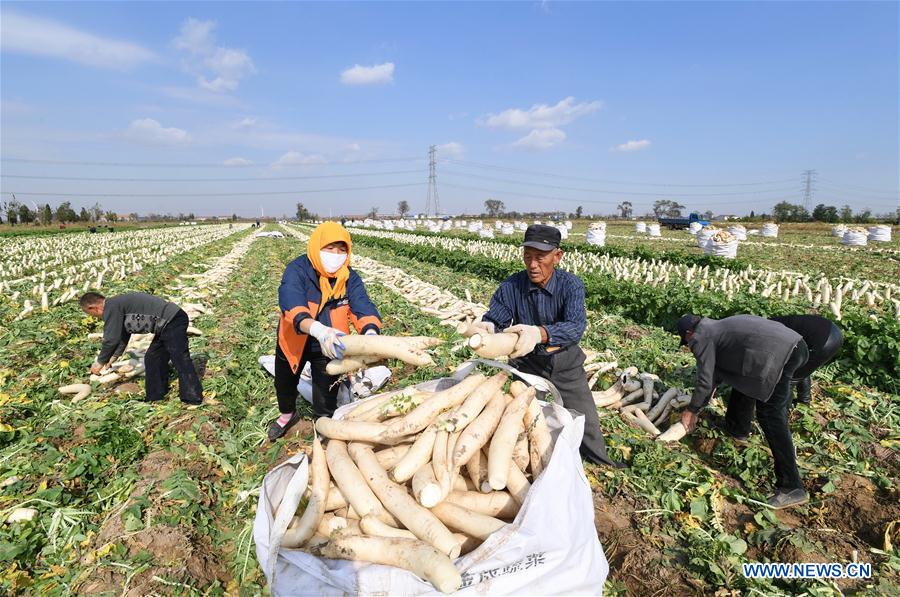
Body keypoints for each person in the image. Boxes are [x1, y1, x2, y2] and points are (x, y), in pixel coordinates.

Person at [476, 224, 622, 468]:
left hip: (565, 364)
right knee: (523, 419)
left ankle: (601, 463)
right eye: (528, 257)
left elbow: (575, 327)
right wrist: (487, 328)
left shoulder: (570, 285)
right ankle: (528, 466)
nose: (533, 265)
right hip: (527, 364)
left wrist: (540, 333)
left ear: (557, 256)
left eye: (540, 257)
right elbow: (495, 320)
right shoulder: (512, 286)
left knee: (586, 420)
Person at [677, 314, 809, 509]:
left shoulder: (700, 336)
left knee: (770, 414)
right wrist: (708, 391)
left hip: (781, 355)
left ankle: (792, 486)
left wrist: (692, 410)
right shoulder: (717, 327)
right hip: (797, 346)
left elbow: (705, 379)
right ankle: (738, 430)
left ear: (689, 333)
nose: (689, 346)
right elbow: (716, 372)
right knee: (745, 383)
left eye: (687, 341)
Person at [269, 221, 382, 440]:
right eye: (330, 248)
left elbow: (362, 306)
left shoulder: (349, 277)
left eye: (341, 250)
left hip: (330, 343)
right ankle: (287, 415)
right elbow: (292, 303)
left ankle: (324, 426)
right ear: (317, 246)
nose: (336, 255)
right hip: (295, 339)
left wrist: (370, 333)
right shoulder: (298, 270)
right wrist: (319, 330)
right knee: (285, 382)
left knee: (326, 390)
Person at [80, 291, 203, 405]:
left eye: (91, 314)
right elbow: (122, 335)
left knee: (180, 358)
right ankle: (155, 397)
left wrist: (99, 362)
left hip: (173, 320)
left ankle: (192, 397)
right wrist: (114, 356)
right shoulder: (115, 306)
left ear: (92, 308)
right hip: (166, 325)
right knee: (153, 358)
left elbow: (111, 339)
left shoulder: (111, 306)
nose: (96, 317)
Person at [769, 315, 843, 404]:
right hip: (834, 332)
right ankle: (804, 401)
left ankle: (784, 408)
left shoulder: (768, 333)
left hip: (823, 340)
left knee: (789, 379)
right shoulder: (772, 323)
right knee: (802, 367)